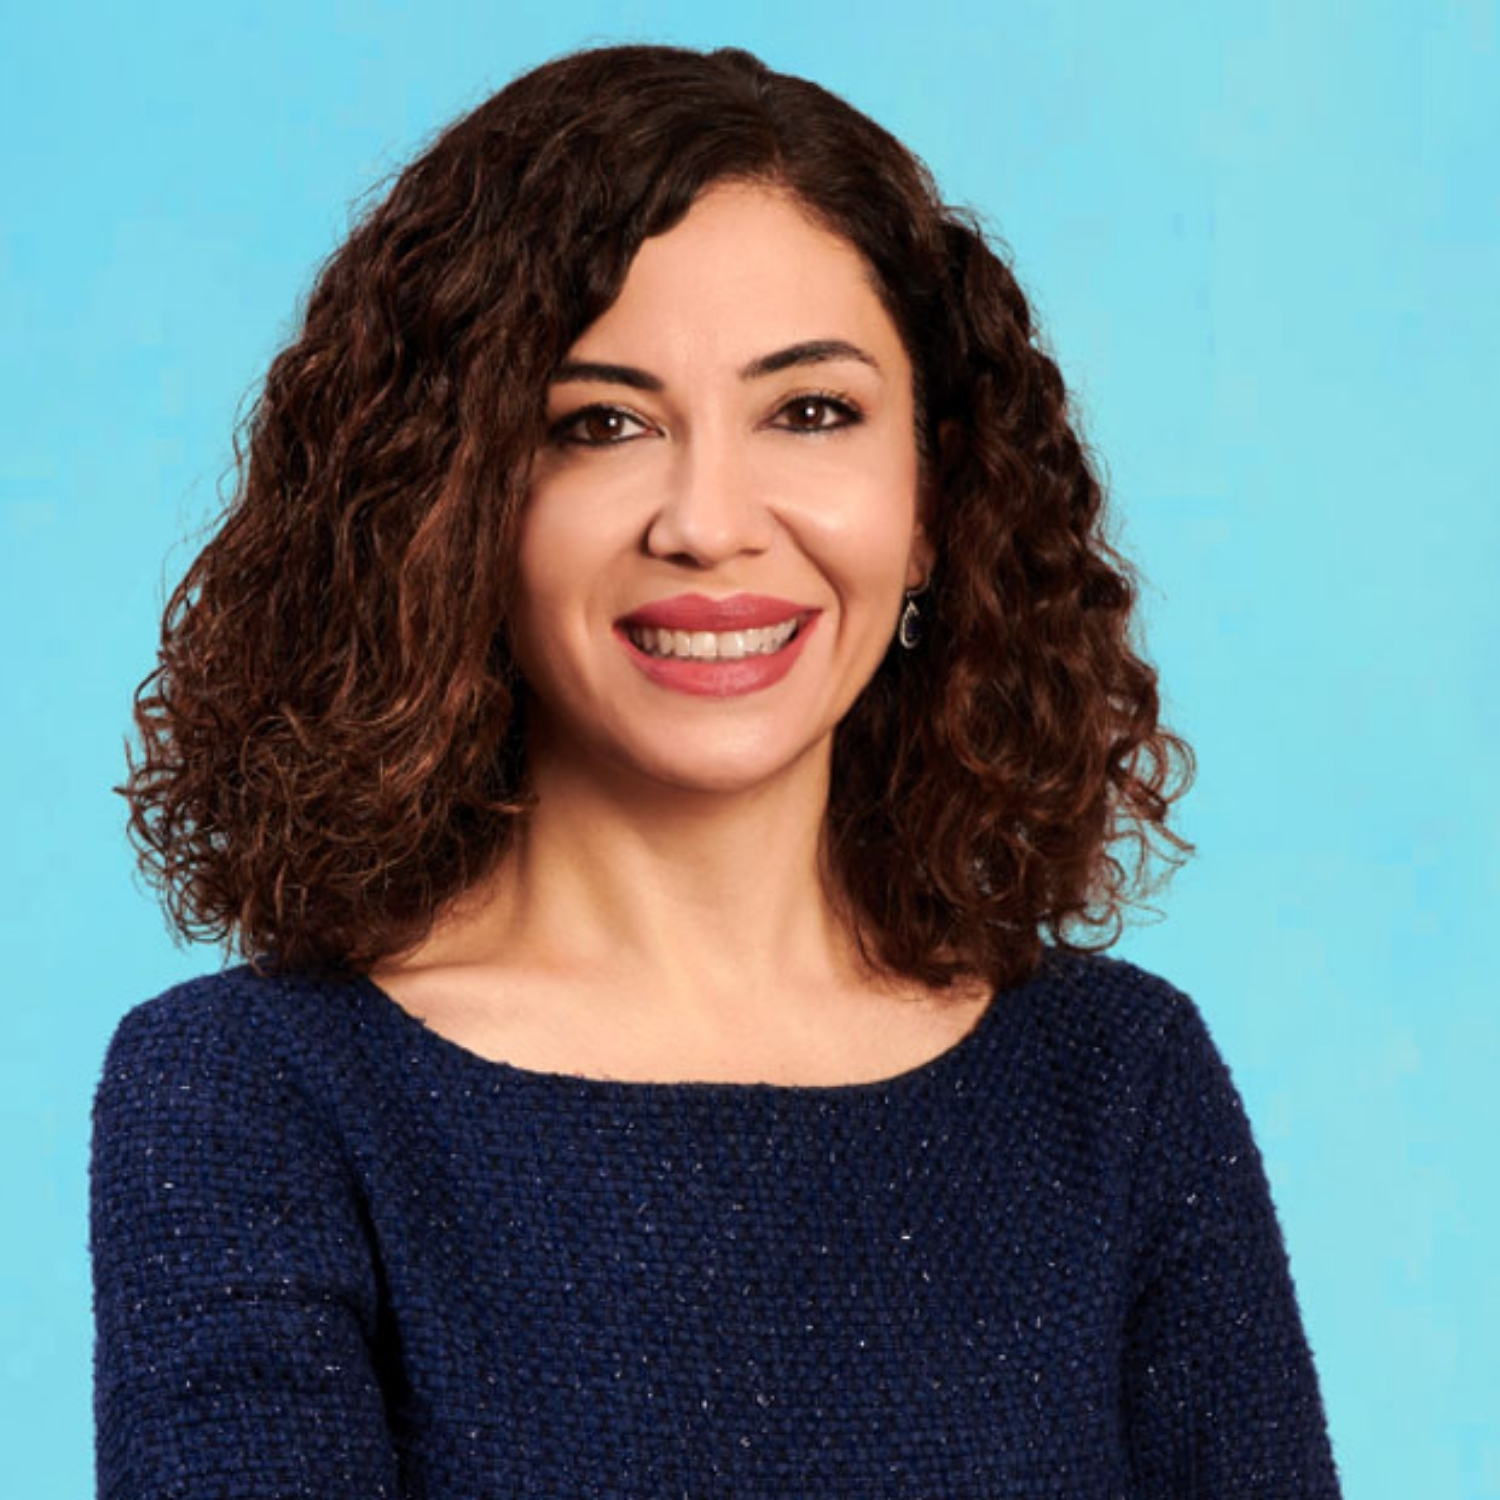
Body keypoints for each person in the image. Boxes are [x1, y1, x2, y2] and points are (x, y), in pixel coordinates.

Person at [90, 42, 1341, 1498]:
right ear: (454, 507)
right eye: (600, 424)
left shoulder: (1117, 1084)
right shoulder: (256, 1097)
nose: (708, 521)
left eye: (810, 412)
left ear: (933, 502)